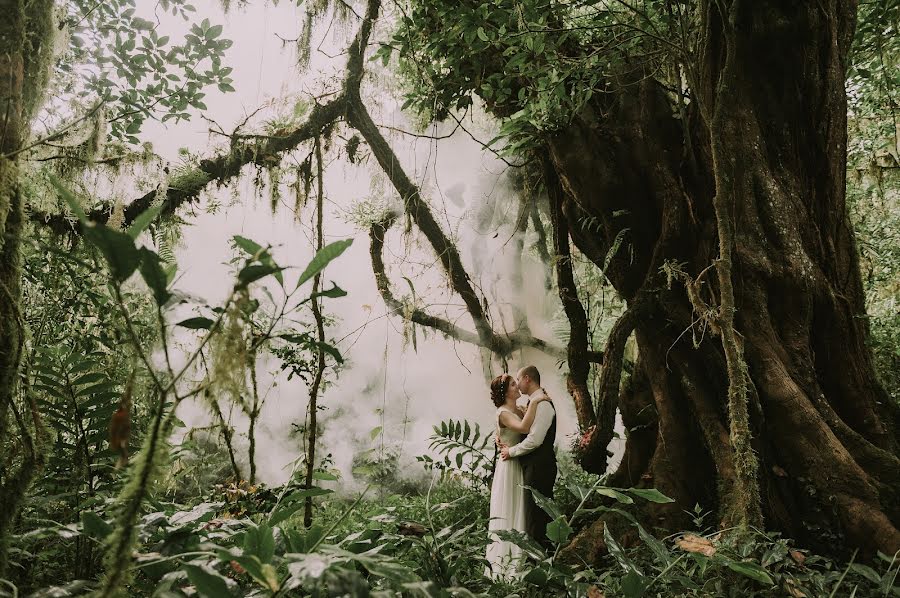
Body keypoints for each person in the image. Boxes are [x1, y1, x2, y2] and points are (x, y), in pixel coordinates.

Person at [484, 373, 550, 579]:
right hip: (508, 464)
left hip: (518, 462)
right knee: (508, 508)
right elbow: (524, 427)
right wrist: (537, 400)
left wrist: (532, 404)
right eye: (513, 384)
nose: (517, 386)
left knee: (520, 508)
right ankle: (504, 565)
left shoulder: (518, 409)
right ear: (506, 391)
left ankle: (521, 557)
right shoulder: (503, 412)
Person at [499, 365, 557, 547]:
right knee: (533, 515)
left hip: (540, 467)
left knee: (537, 517)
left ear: (527, 379)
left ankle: (541, 559)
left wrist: (511, 451)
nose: (517, 384)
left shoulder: (543, 404)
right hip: (532, 467)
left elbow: (534, 440)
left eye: (518, 380)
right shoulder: (533, 403)